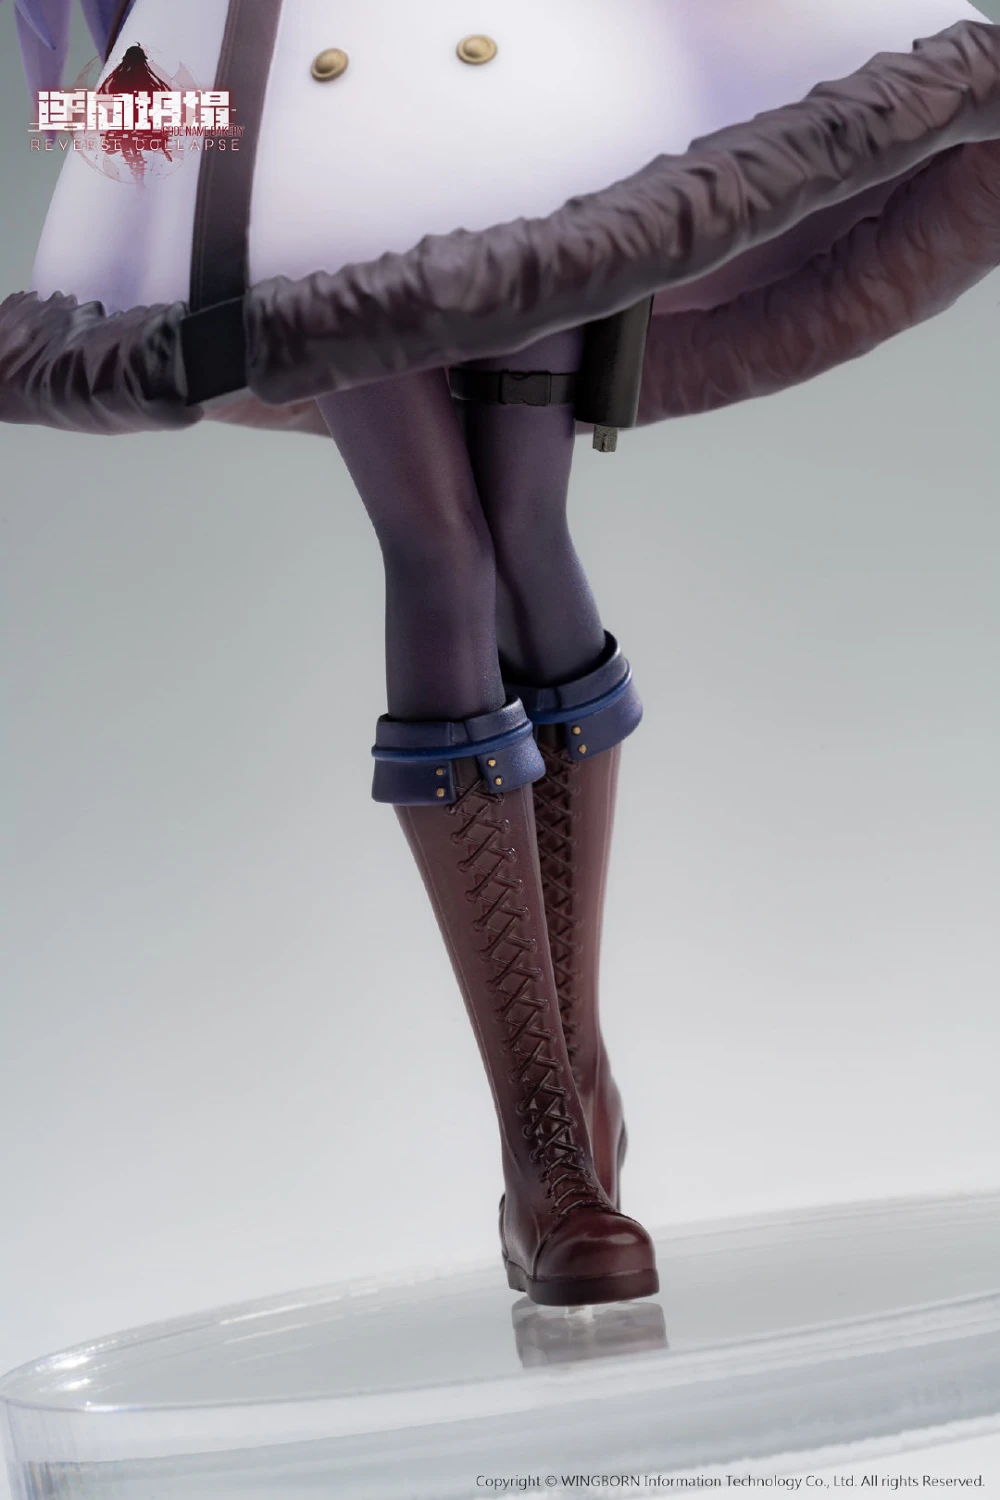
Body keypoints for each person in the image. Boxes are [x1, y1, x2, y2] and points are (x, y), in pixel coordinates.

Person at [2, 0, 998, 1305]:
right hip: (304, 134)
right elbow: (80, 89)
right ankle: (544, 1141)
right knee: (440, 548)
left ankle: (569, 1100)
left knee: (525, 530)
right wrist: (143, 122)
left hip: (520, 73)